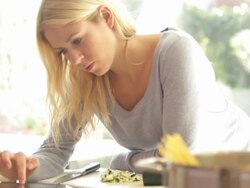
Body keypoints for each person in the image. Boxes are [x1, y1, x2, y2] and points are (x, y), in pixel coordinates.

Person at [1, 0, 250, 184]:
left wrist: (123, 161)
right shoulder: (85, 79)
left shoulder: (176, 52)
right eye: (63, 51)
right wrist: (27, 167)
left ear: (107, 17)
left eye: (77, 40)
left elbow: (180, 155)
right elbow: (56, 152)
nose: (74, 59)